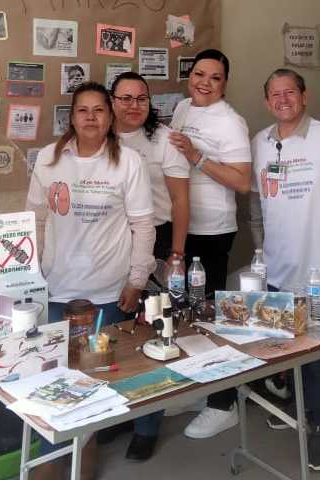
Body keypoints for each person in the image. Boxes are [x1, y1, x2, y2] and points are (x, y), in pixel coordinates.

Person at [249, 69, 320, 471]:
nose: (283, 100)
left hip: (318, 270)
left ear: (304, 96)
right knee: (285, 345)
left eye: (290, 92)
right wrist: (259, 252)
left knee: (318, 352)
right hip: (276, 268)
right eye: (275, 94)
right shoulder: (260, 142)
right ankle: (295, 407)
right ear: (267, 102)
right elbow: (256, 204)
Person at [168, 49, 253, 438]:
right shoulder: (183, 107)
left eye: (215, 77)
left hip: (213, 229)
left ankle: (224, 403)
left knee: (212, 316)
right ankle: (201, 388)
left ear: (225, 83)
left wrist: (197, 156)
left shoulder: (230, 122)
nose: (205, 82)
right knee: (186, 313)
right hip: (182, 224)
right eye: (199, 74)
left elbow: (243, 182)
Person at [108, 71, 191, 461]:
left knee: (154, 331)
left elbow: (180, 201)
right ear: (111, 102)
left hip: (157, 240)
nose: (133, 106)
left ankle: (147, 425)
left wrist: (177, 254)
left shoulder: (164, 140)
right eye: (125, 98)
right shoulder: (100, 137)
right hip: (111, 243)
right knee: (115, 331)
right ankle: (121, 412)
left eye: (141, 98)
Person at [27, 82, 156, 324]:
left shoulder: (130, 162)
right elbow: (35, 222)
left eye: (98, 110)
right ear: (72, 118)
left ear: (110, 117)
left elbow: (143, 227)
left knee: (107, 350)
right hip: (56, 289)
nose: (90, 117)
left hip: (110, 293)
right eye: (82, 110)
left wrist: (137, 281)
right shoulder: (47, 158)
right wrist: (32, 278)